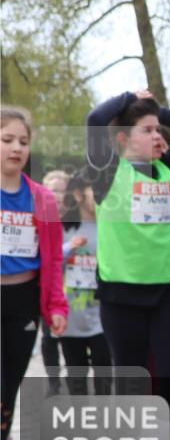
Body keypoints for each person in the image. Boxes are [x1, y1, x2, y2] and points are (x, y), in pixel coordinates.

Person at [85, 89, 170, 440]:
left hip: (165, 291)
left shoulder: (169, 166)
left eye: (160, 130)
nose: (159, 136)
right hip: (121, 294)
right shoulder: (107, 170)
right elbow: (93, 121)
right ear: (123, 140)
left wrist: (157, 111)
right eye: (148, 130)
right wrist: (127, 99)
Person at [1, 107, 68, 440]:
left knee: (9, 388)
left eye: (23, 141)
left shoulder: (41, 198)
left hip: (24, 297)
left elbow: (54, 258)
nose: (16, 148)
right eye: (7, 139)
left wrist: (57, 306)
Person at [59, 168, 111, 397]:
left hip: (103, 314)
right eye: (94, 190)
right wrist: (69, 248)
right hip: (70, 315)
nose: (100, 195)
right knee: (75, 373)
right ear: (78, 194)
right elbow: (48, 262)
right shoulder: (63, 228)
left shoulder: (111, 228)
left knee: (104, 370)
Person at [41, 169, 71, 395]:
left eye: (62, 191)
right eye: (53, 191)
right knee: (48, 337)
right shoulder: (40, 219)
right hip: (48, 289)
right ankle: (53, 381)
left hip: (76, 291)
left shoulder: (77, 222)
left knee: (71, 340)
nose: (58, 196)